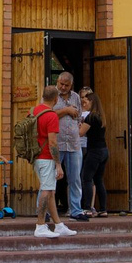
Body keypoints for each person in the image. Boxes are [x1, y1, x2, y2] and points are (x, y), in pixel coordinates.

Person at [29, 85, 73, 237]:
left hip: (36, 156)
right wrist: (58, 164)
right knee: (46, 190)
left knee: (51, 191)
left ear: (43, 96)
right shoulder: (52, 115)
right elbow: (53, 142)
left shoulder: (34, 111)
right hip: (46, 157)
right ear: (56, 99)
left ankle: (58, 225)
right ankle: (40, 225)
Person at [52, 72, 89, 222]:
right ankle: (46, 210)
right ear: (57, 81)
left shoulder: (75, 97)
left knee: (75, 179)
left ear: (71, 85)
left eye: (66, 85)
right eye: (61, 84)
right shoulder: (51, 95)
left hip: (74, 143)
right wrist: (66, 111)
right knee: (51, 178)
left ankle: (76, 210)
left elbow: (79, 116)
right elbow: (47, 114)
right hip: (57, 143)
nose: (63, 87)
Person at [79, 89, 109, 218]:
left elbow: (80, 133)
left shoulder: (91, 116)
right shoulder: (100, 116)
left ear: (91, 101)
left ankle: (87, 208)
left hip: (94, 151)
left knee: (86, 178)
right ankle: (103, 209)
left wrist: (77, 126)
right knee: (98, 179)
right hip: (104, 151)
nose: (84, 104)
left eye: (85, 102)